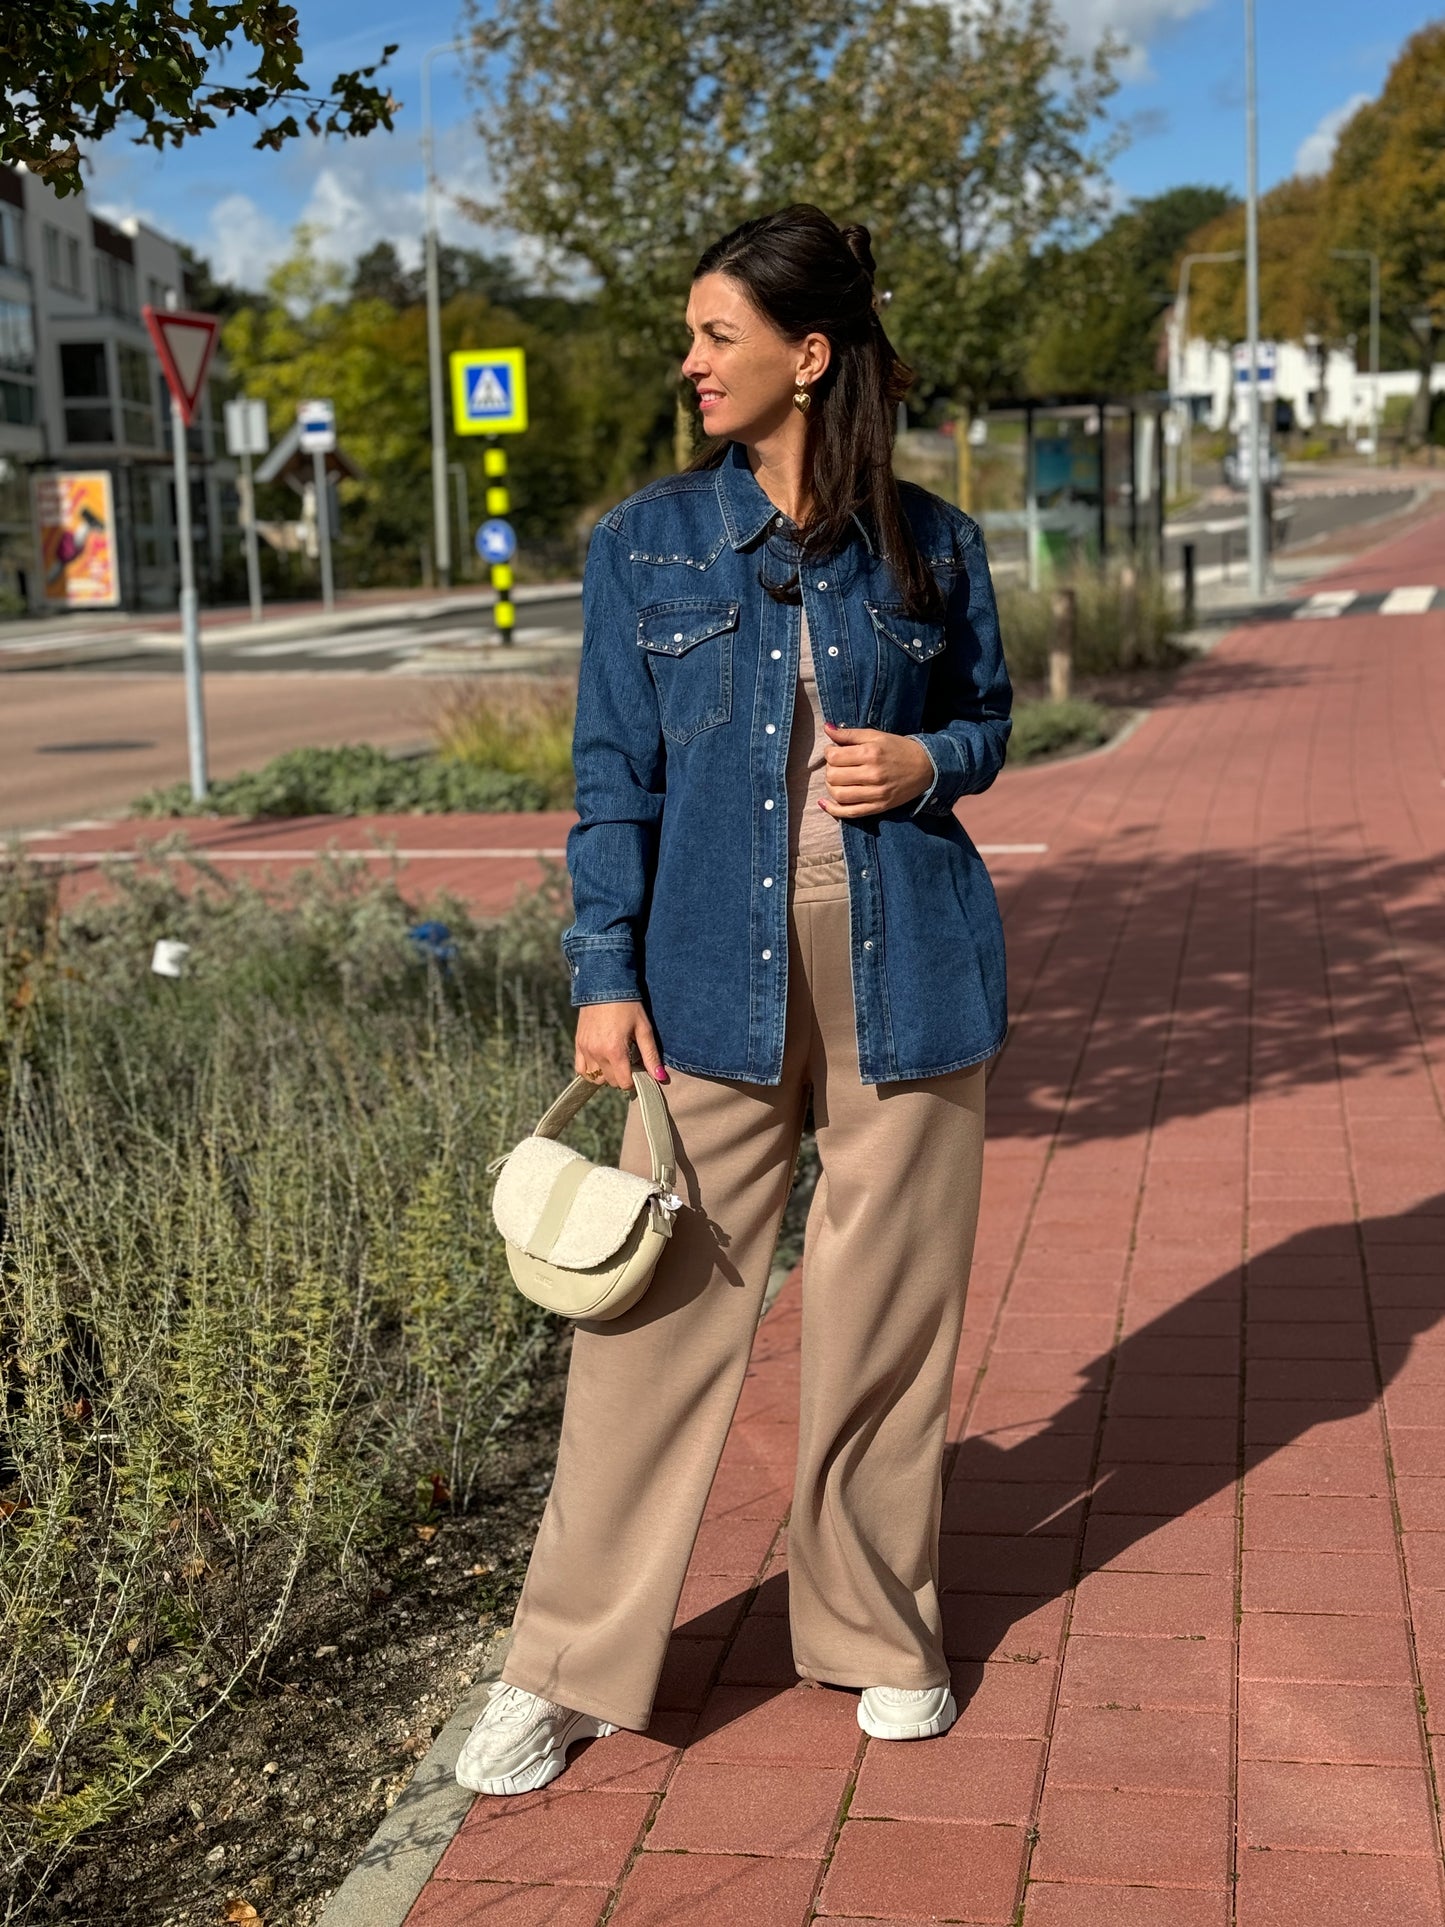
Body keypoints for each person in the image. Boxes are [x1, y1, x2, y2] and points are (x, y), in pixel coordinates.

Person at [457, 204, 1011, 1797]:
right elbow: (608, 782)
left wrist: (926, 760)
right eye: (691, 334)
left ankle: (878, 1632)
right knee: (646, 1318)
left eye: (715, 334)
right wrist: (597, 973)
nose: (689, 362)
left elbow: (983, 718)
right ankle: (559, 1668)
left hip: (908, 965)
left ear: (805, 354)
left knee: (883, 1331)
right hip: (702, 972)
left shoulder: (931, 542)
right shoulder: (645, 544)